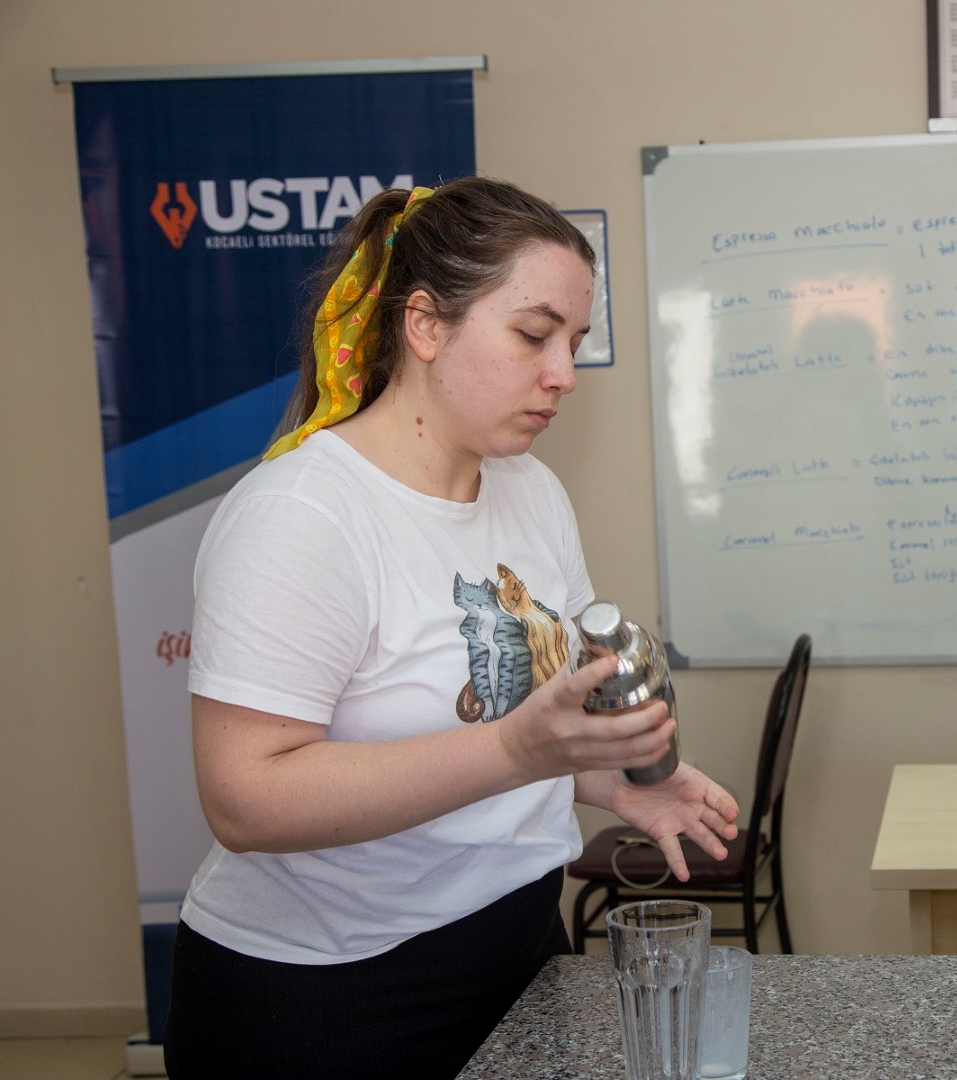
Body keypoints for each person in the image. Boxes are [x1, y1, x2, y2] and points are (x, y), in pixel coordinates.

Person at [164, 177, 739, 1078]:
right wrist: (516, 752)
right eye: (534, 335)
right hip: (325, 994)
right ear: (425, 325)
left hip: (514, 944)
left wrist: (612, 779)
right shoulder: (301, 514)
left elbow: (533, 725)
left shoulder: (530, 490)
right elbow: (245, 799)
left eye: (574, 342)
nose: (563, 374)